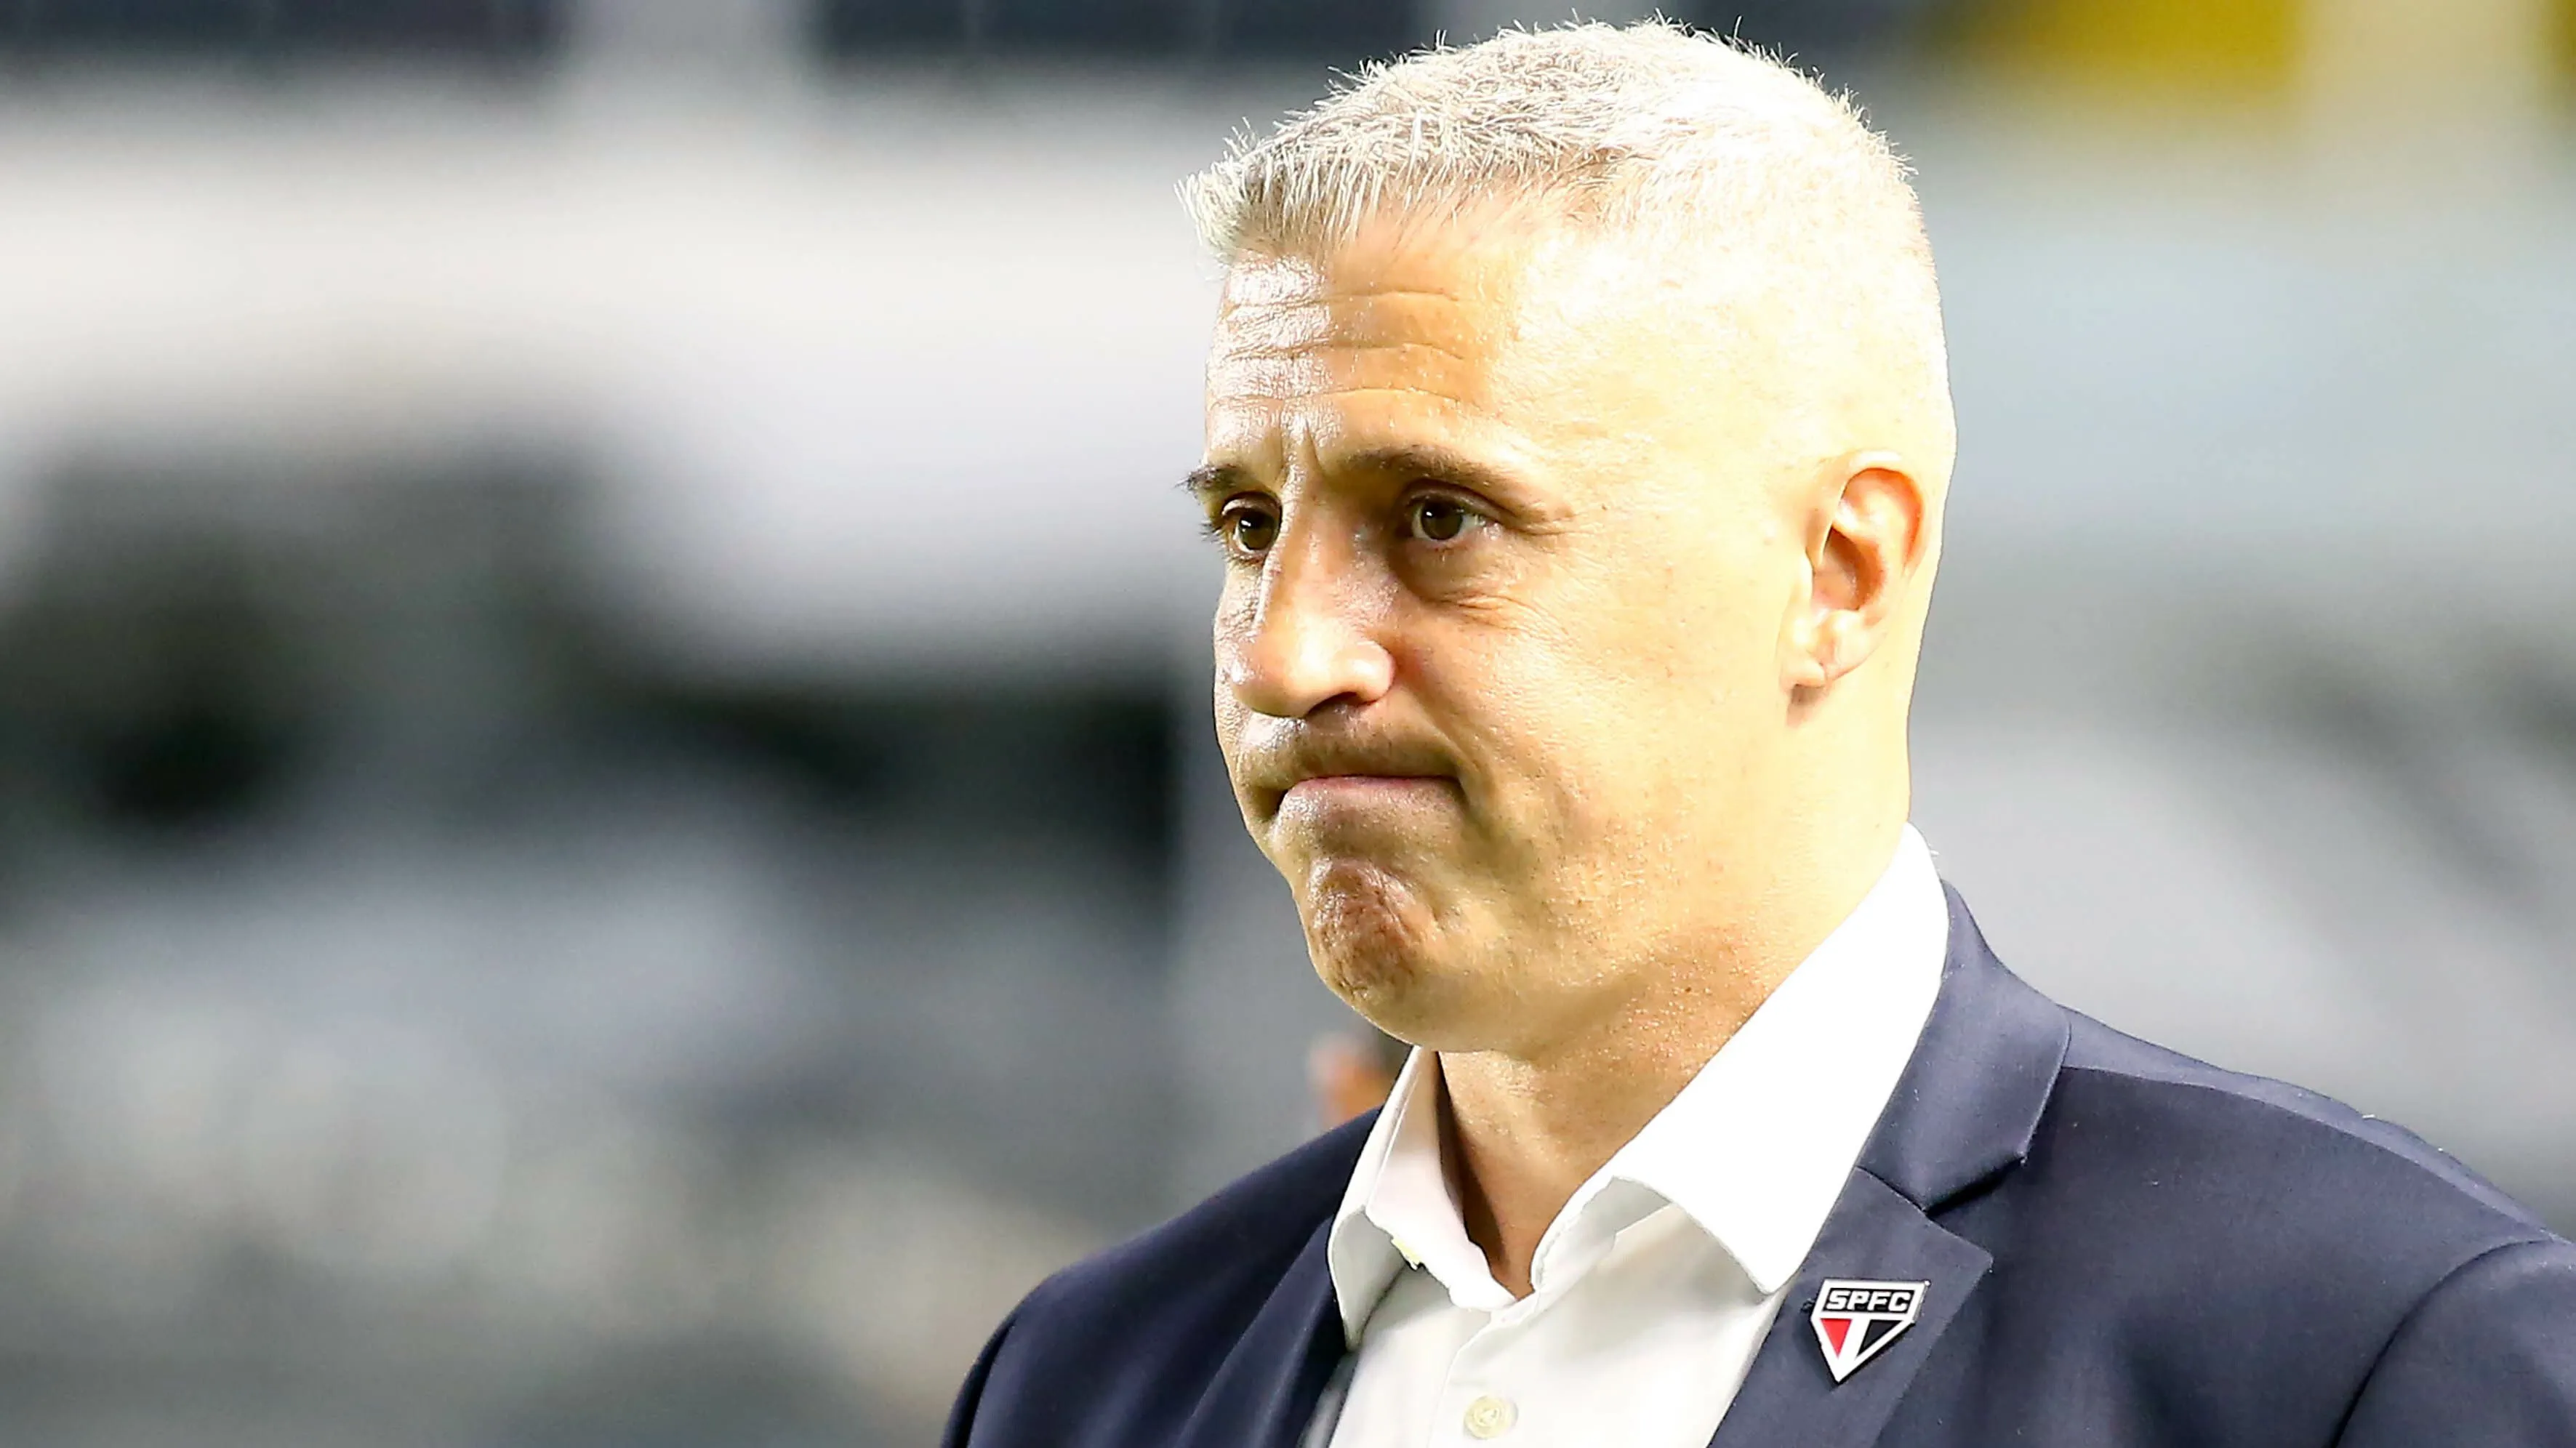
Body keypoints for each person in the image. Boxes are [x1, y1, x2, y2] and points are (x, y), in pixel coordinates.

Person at [944, 22, 2576, 1448]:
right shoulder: (1085, 1378)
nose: (1284, 654)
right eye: (1247, 527)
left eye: (1439, 517)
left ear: (1837, 573)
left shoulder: (2361, 1349)